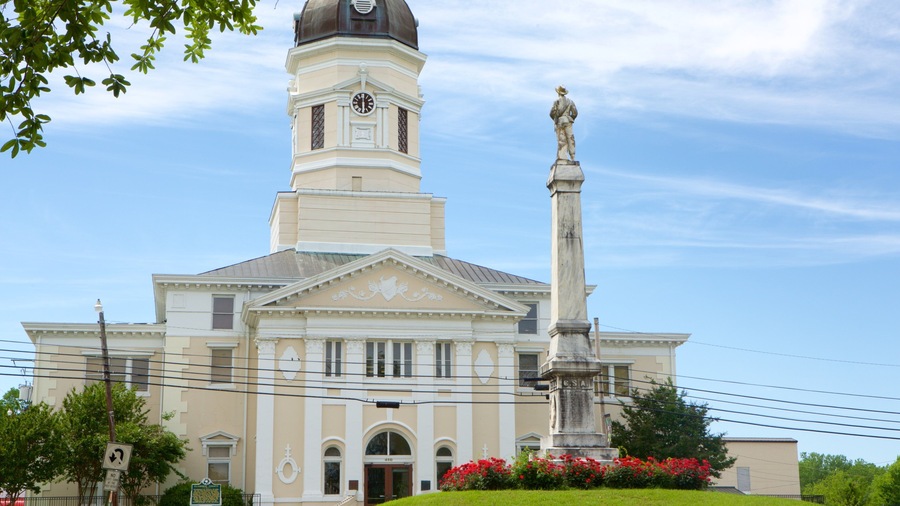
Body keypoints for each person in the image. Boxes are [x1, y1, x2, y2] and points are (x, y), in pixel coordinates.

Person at [550, 85, 578, 161]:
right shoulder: (570, 101)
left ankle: (562, 156)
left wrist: (556, 120)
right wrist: (570, 118)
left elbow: (552, 113)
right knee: (570, 138)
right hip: (568, 121)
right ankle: (572, 156)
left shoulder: (556, 101)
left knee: (561, 139)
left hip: (560, 121)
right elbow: (575, 113)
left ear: (558, 92)